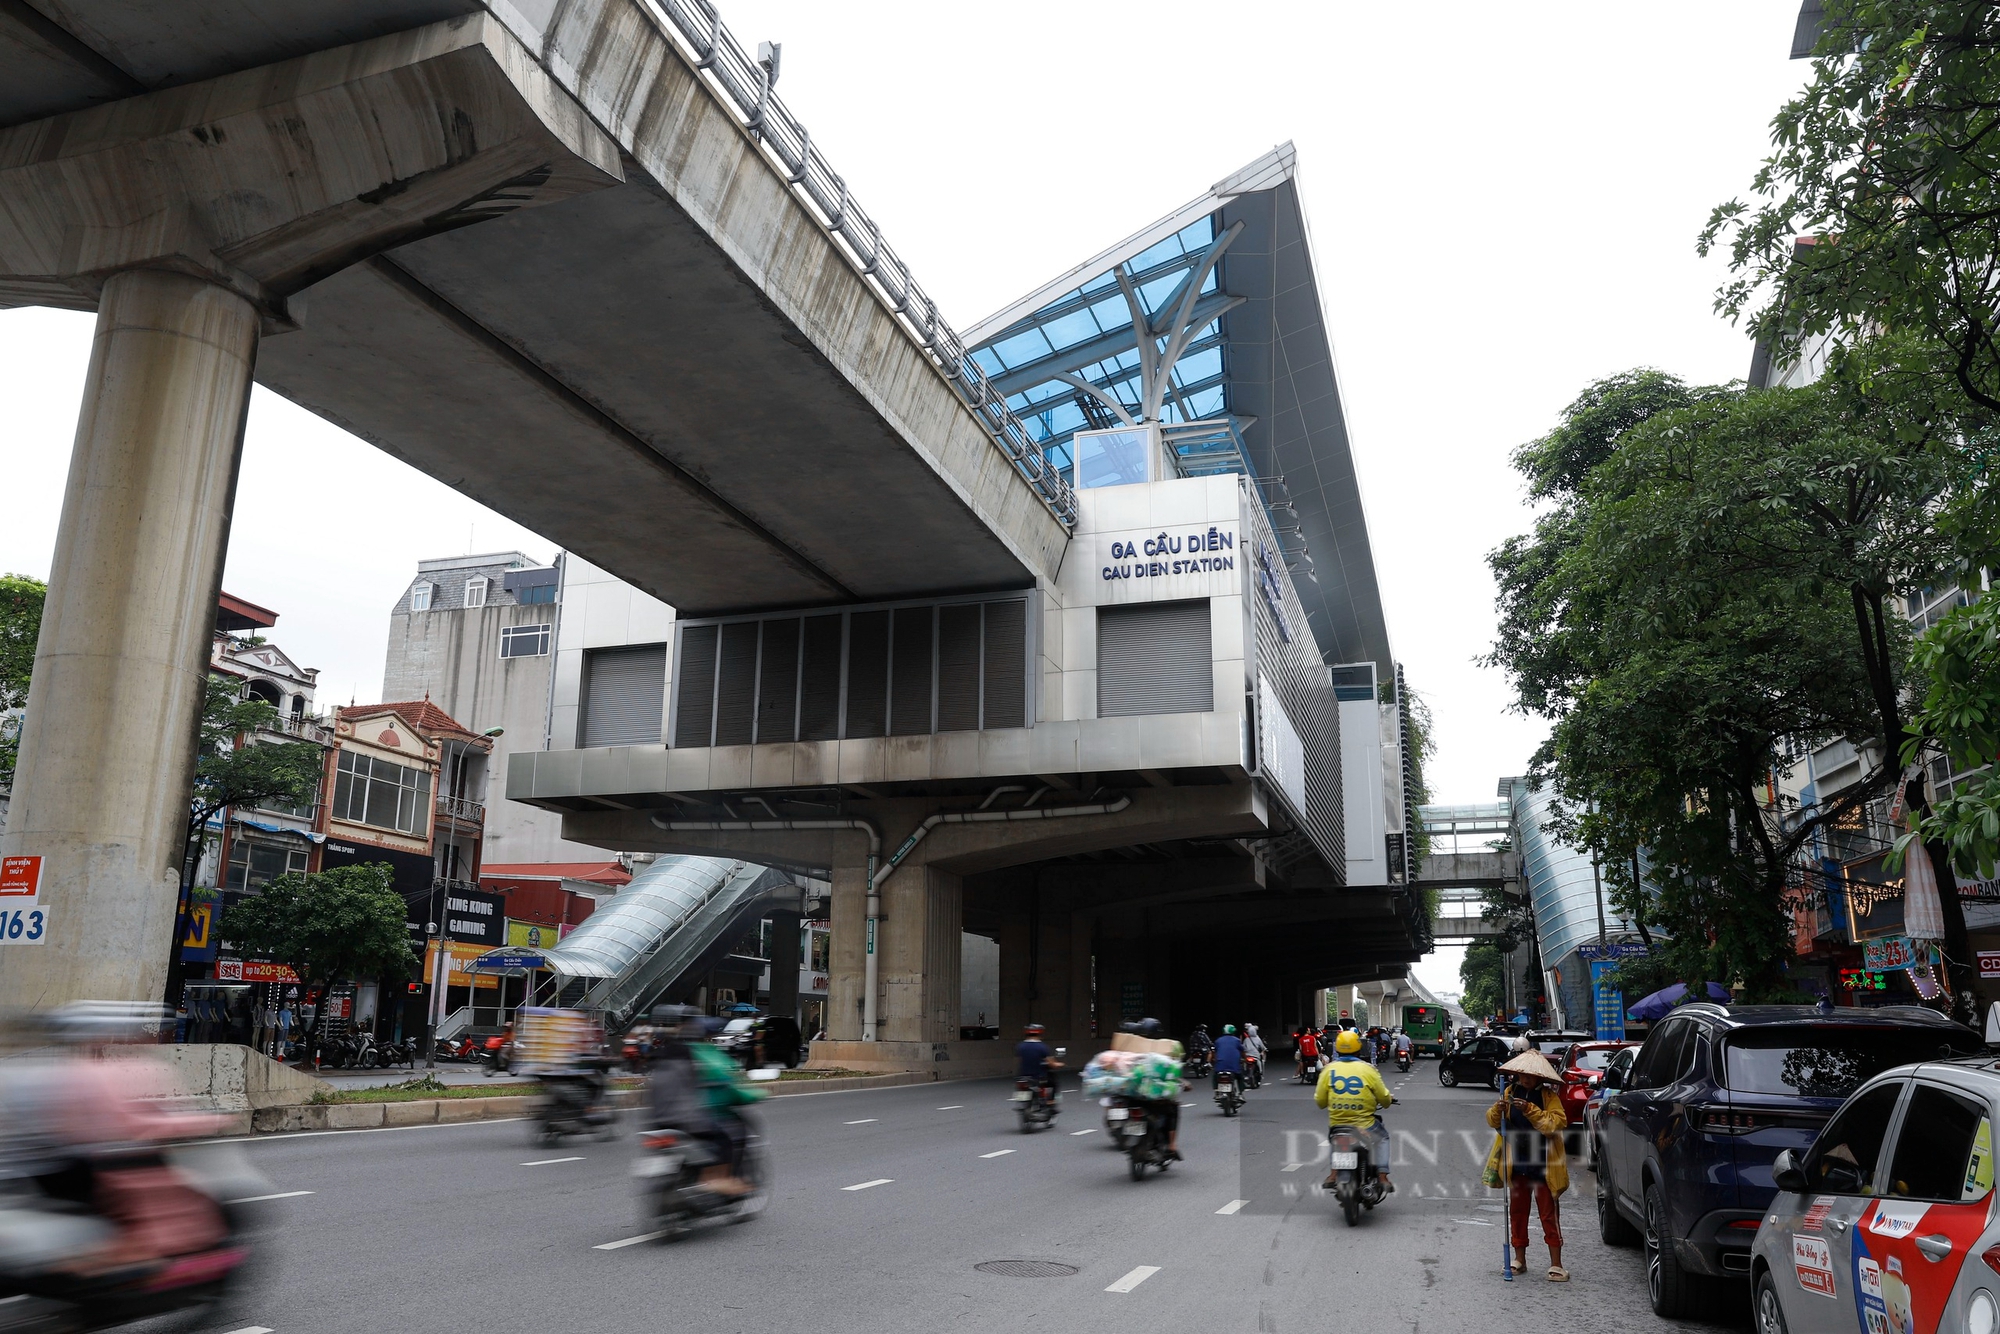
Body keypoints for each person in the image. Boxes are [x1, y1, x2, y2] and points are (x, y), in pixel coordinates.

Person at [1483, 1049, 1570, 1282]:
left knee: (1548, 1215)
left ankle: (1556, 1264)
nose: (1525, 1078)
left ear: (1540, 1077)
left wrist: (1530, 1110)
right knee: (1518, 1213)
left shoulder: (1549, 1097)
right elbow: (1492, 1121)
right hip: (1517, 1163)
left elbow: (1555, 1124)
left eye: (1530, 1075)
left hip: (1543, 1164)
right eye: (1522, 1074)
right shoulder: (1510, 1092)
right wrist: (1497, 1110)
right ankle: (1519, 1259)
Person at [644, 1006, 751, 1196]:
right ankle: (717, 1179)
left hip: (657, 1119)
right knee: (725, 1137)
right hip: (687, 1119)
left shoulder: (657, 1055)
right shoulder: (693, 1054)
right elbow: (718, 1082)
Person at [1316, 1029, 1395, 1193]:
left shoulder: (1328, 1070)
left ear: (1337, 1048)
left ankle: (1333, 1174)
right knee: (1383, 1138)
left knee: (1337, 1139)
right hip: (1365, 1125)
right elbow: (1384, 1097)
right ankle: (1382, 1177)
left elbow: (1320, 1102)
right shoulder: (1368, 1069)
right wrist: (1387, 1101)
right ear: (1359, 1049)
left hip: (1338, 1125)